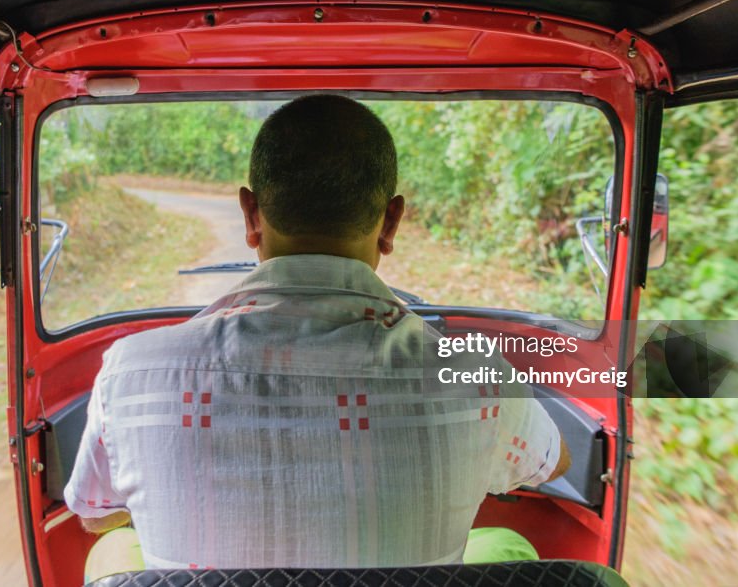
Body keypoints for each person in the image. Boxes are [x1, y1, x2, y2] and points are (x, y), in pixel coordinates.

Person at [65, 94, 570, 572]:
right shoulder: (474, 373)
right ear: (391, 222)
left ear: (250, 215)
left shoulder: (132, 370)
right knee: (506, 546)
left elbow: (93, 512)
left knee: (114, 552)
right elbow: (553, 463)